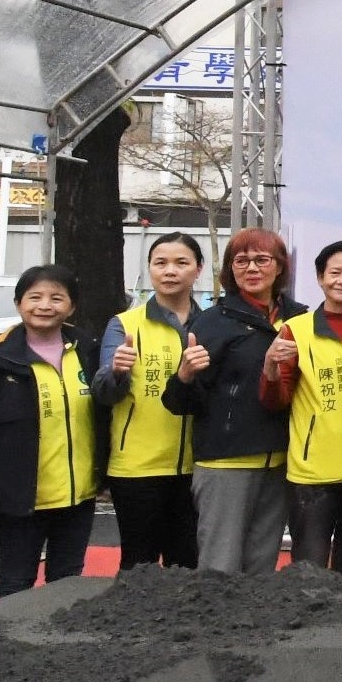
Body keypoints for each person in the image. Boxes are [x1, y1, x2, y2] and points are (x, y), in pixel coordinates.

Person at [0, 265, 106, 598]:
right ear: (18, 304)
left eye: (56, 298)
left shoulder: (86, 349)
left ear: (71, 307)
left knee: (68, 581)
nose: (45, 305)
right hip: (21, 497)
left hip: (79, 494)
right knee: (16, 583)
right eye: (35, 297)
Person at [168, 228, 306, 574]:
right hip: (225, 463)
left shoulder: (300, 319)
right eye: (241, 261)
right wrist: (184, 375)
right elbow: (179, 402)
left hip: (280, 462)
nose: (252, 268)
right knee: (220, 568)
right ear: (230, 269)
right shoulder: (213, 322)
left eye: (262, 260)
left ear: (279, 266)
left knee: (261, 569)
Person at [265, 241, 342, 574]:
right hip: (312, 474)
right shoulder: (295, 329)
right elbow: (276, 399)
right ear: (320, 277)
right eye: (335, 272)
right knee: (309, 567)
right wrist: (270, 368)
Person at [97, 232, 204, 570]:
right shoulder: (125, 324)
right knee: (138, 565)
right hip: (137, 467)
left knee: (187, 565)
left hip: (197, 467)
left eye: (181, 262)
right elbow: (103, 392)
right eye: (160, 263)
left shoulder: (210, 324)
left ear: (199, 269)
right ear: (150, 269)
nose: (170, 271)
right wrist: (117, 371)